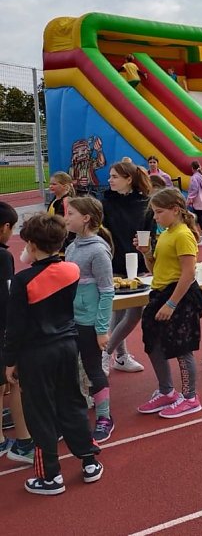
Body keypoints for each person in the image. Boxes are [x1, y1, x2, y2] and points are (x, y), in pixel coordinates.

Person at [4, 214, 104, 495]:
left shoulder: (23, 280)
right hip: (67, 346)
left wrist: (9, 360)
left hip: (35, 354)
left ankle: (50, 475)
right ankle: (88, 461)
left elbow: (15, 326)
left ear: (32, 245)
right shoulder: (71, 270)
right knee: (72, 402)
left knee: (40, 413)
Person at [136, 188, 202, 417]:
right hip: (159, 292)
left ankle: (190, 397)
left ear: (175, 210)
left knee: (181, 347)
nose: (155, 217)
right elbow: (155, 268)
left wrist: (172, 304)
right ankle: (167, 391)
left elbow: (188, 273)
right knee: (153, 341)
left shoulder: (183, 234)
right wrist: (147, 253)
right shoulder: (165, 232)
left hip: (179, 295)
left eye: (159, 212)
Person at [64, 197, 116, 443]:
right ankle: (74, 417)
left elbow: (107, 291)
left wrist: (102, 329)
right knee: (70, 369)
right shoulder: (72, 247)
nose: (66, 218)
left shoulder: (98, 250)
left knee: (93, 369)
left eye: (70, 214)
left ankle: (105, 417)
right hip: (72, 320)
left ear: (86, 218)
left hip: (90, 322)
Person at [101, 160, 152, 374]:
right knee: (118, 312)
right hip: (113, 261)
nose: (109, 180)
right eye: (110, 176)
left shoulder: (145, 204)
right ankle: (118, 356)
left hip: (138, 262)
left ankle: (107, 353)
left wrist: (148, 253)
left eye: (114, 177)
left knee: (134, 312)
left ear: (128, 179)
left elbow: (148, 232)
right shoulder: (105, 202)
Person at [0, 202, 33, 463]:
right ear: (6, 228)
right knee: (14, 382)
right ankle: (23, 442)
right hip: (4, 329)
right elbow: (8, 298)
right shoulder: (3, 256)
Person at [47, 171, 76, 253]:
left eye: (54, 184)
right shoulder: (56, 199)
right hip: (54, 236)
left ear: (65, 186)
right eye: (50, 184)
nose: (50, 186)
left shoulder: (66, 201)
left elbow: (64, 221)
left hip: (62, 240)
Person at [187, 161, 202, 246]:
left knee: (200, 220)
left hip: (197, 201)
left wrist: (190, 199)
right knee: (201, 219)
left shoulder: (194, 178)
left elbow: (194, 189)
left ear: (192, 168)